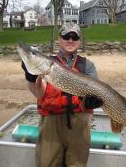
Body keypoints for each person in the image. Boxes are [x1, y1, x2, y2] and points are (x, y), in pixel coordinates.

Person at [21, 22, 102, 167]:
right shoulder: (48, 63)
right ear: (59, 39)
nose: (70, 40)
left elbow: (97, 91)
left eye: (74, 37)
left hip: (80, 123)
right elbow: (39, 93)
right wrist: (31, 77)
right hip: (51, 124)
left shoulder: (87, 65)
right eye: (66, 36)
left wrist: (93, 101)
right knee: (48, 163)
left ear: (79, 41)